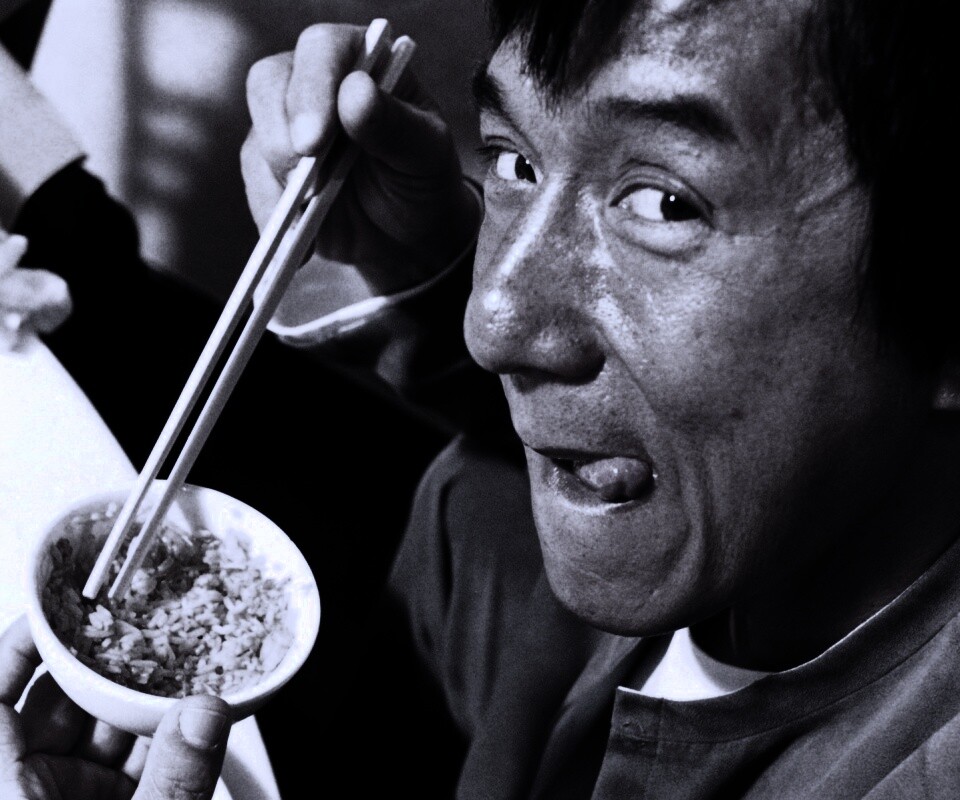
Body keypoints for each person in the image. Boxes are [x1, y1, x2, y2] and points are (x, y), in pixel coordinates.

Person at [236, 0, 960, 797]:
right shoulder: (487, 525)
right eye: (516, 162)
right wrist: (410, 272)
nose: (491, 324)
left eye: (665, 203)